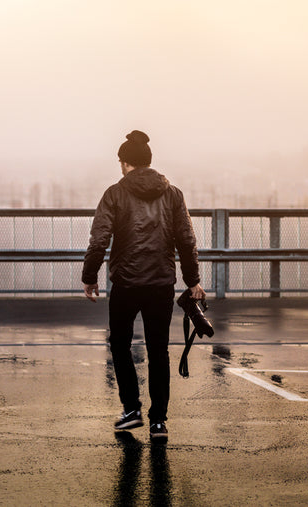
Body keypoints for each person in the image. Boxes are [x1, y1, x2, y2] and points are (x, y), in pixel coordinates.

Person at [81, 130, 205, 440]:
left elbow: (99, 240)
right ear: (148, 162)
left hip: (125, 283)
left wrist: (89, 276)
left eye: (120, 163)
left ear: (125, 163)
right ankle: (159, 422)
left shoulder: (115, 194)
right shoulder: (172, 194)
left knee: (120, 345)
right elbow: (187, 240)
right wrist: (193, 282)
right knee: (158, 350)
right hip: (161, 283)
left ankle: (131, 409)